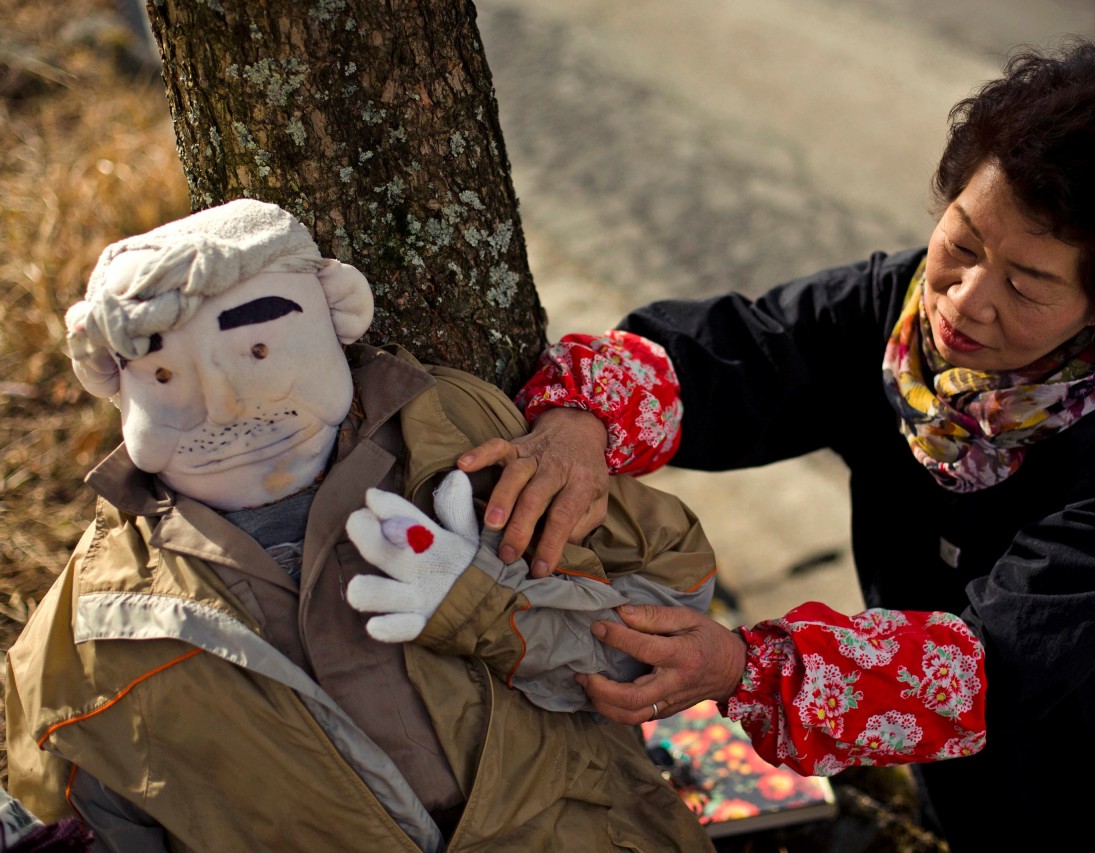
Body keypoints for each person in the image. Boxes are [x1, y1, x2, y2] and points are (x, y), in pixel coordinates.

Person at [459, 39, 1095, 848]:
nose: (965, 300)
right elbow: (741, 357)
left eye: (1026, 286)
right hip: (964, 787)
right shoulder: (900, 314)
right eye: (962, 243)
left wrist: (746, 667)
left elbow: (996, 661)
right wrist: (582, 417)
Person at [4, 199, 716, 851]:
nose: (229, 406)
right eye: (167, 378)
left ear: (334, 315)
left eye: (257, 352)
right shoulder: (102, 617)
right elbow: (77, 799)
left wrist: (483, 604)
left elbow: (670, 636)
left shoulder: (457, 441)